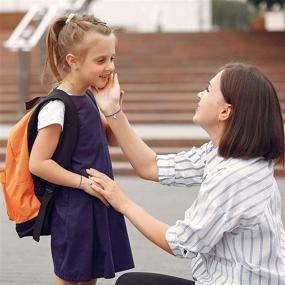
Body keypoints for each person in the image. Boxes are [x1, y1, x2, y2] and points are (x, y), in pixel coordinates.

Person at [87, 63, 285, 284]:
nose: (200, 94)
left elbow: (181, 243)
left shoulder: (237, 175)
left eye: (208, 90)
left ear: (225, 111)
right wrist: (113, 110)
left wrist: (124, 203)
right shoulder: (221, 153)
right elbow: (151, 166)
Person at [29, 13, 134, 285]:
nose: (109, 66)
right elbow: (38, 163)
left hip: (97, 201)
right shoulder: (57, 107)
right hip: (74, 207)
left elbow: (105, 141)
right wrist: (82, 183)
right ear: (72, 61)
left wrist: (113, 109)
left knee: (91, 274)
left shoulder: (89, 95)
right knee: (68, 276)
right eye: (100, 60)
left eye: (112, 58)